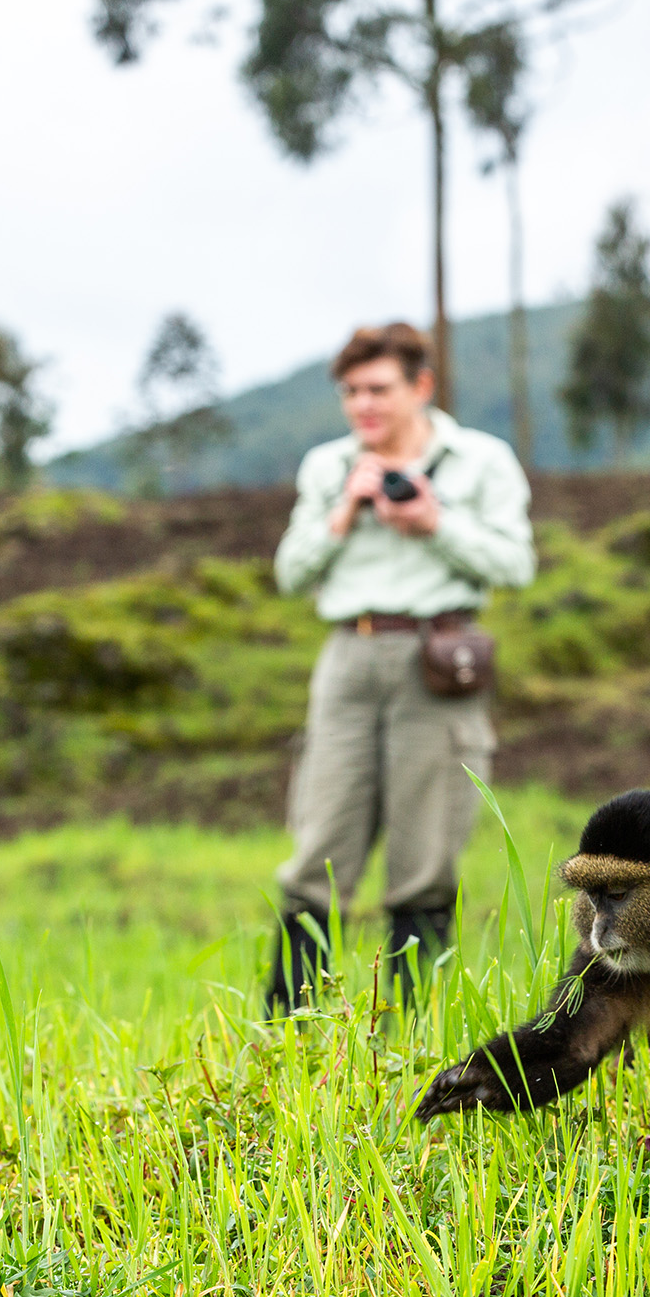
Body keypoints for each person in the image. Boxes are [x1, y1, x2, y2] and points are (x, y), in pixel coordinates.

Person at [268, 323, 535, 1011]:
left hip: (438, 661)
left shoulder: (480, 461)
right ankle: (286, 1035)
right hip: (347, 659)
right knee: (318, 844)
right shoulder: (327, 466)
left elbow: (516, 564)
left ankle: (411, 1035)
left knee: (425, 853)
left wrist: (433, 522)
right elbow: (290, 574)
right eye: (351, 392)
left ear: (421, 386)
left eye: (379, 389)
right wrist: (343, 510)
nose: (364, 405)